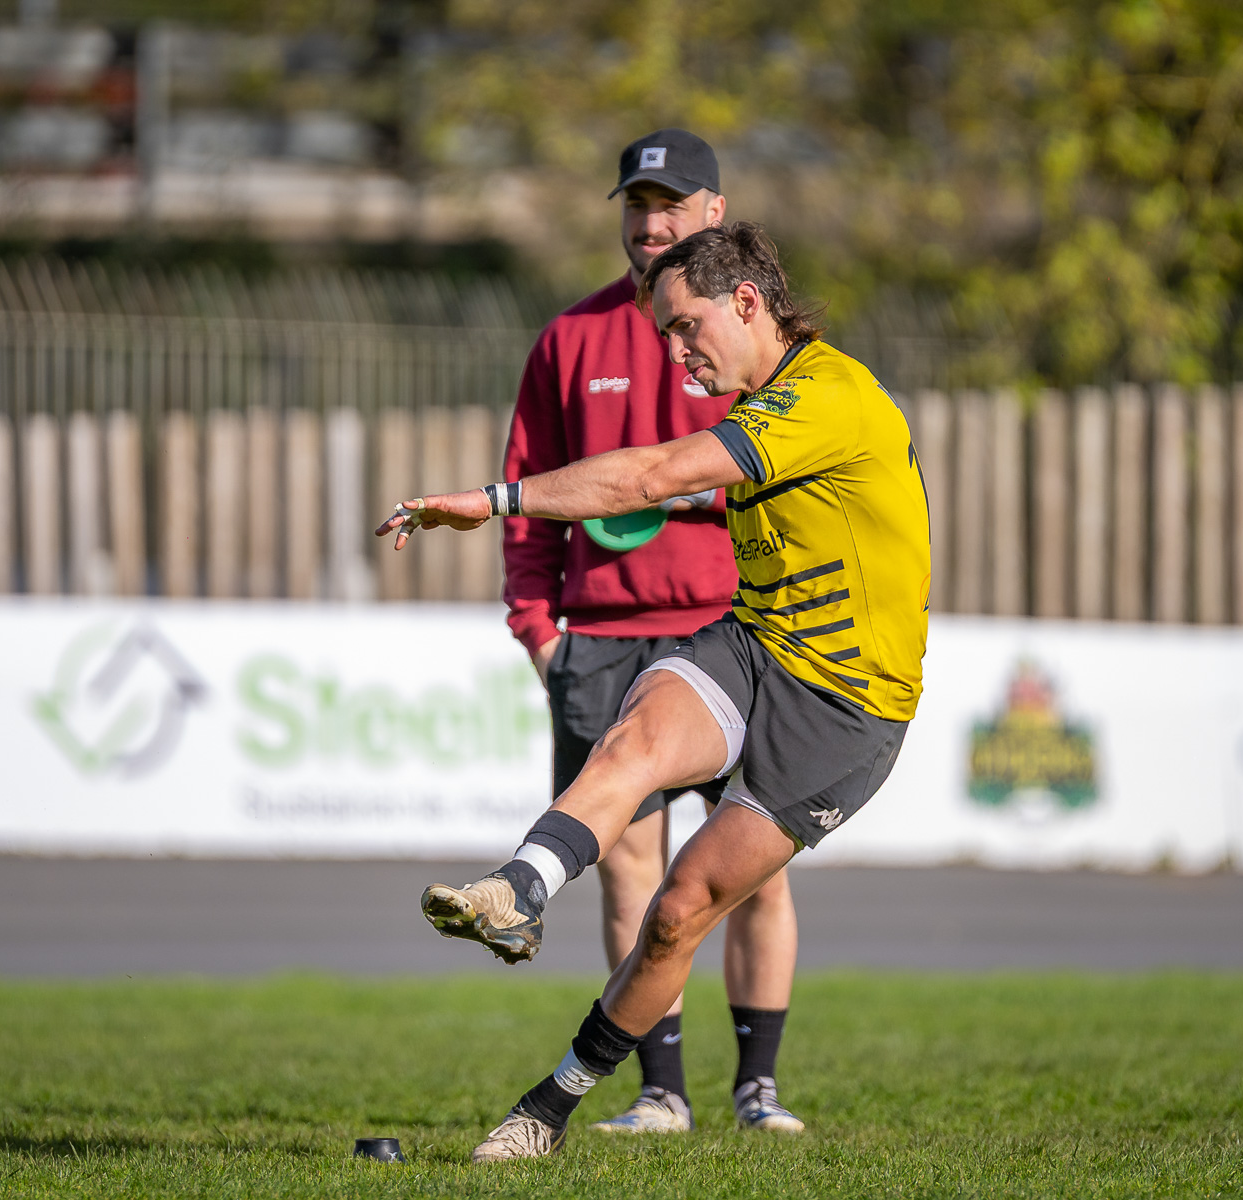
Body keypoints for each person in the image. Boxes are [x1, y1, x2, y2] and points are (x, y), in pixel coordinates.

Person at [377, 222, 932, 1162]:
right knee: (631, 745)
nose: (673, 352)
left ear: (748, 303)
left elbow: (653, 472)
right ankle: (518, 890)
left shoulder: (828, 397)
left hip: (845, 710)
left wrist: (494, 500)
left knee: (679, 910)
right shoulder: (769, 401)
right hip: (754, 643)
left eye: (685, 327)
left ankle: (552, 1103)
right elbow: (668, 489)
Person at [495, 129, 801, 1136]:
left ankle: (757, 1087)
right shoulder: (569, 339)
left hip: (735, 633)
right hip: (605, 641)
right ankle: (659, 1093)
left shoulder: (756, 341)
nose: (651, 222)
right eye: (637, 205)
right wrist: (541, 632)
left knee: (751, 869)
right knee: (630, 870)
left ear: (716, 214)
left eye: (672, 204)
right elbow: (533, 498)